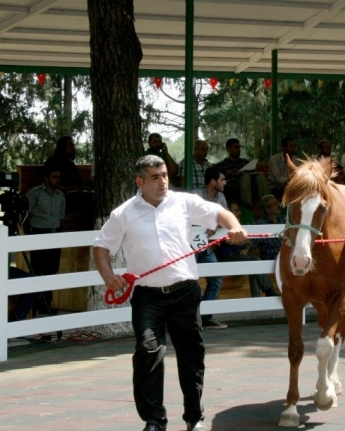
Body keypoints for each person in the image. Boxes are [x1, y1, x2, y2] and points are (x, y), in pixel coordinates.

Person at [93, 154, 247, 431]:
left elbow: (217, 213)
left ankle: (194, 418)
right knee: (147, 352)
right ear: (140, 181)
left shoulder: (184, 202)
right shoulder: (123, 213)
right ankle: (154, 421)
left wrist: (234, 226)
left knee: (191, 358)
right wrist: (108, 276)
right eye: (155, 177)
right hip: (147, 296)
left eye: (164, 175)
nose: (163, 181)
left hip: (184, 292)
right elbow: (101, 247)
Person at [26, 161, 66, 317]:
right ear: (46, 178)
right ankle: (32, 304)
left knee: (51, 270)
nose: (57, 180)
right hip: (38, 232)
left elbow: (61, 217)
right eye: (54, 177)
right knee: (36, 269)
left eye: (59, 177)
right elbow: (26, 213)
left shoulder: (61, 196)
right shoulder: (34, 193)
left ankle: (46, 305)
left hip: (55, 232)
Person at [192, 166, 228, 329]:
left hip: (205, 247)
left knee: (216, 277)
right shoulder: (196, 194)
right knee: (188, 281)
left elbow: (225, 218)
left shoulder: (220, 197)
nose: (225, 183)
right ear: (213, 182)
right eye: (222, 179)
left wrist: (215, 225)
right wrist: (213, 223)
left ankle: (205, 317)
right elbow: (192, 217)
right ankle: (191, 318)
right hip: (189, 246)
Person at [219, 201, 279, 297]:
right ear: (229, 212)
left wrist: (246, 244)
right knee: (255, 261)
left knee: (253, 265)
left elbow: (249, 242)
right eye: (237, 210)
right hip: (230, 257)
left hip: (243, 255)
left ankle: (256, 298)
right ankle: (268, 290)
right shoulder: (223, 224)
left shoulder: (238, 224)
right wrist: (245, 241)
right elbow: (231, 241)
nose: (240, 213)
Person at [214, 138, 267, 207]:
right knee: (244, 176)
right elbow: (217, 178)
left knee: (260, 176)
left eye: (239, 147)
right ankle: (247, 207)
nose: (238, 149)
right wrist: (227, 173)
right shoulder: (221, 165)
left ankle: (268, 204)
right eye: (235, 147)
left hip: (250, 185)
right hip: (232, 186)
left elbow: (254, 173)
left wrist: (251, 171)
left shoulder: (245, 162)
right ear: (228, 149)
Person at [253, 194, 285, 262]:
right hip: (272, 258)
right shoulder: (260, 224)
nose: (278, 206)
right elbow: (251, 243)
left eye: (277, 203)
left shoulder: (285, 219)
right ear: (267, 209)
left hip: (288, 252)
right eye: (274, 204)